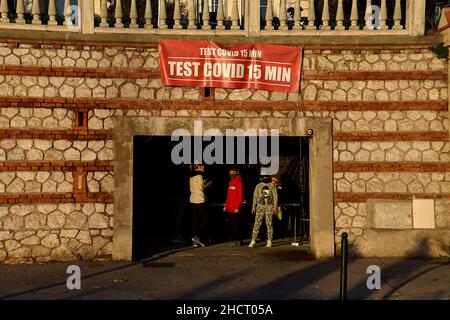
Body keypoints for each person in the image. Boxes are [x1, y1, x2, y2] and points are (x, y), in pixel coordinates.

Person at [249, 175, 278, 248]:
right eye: (263, 177)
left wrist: (274, 207)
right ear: (261, 178)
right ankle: (253, 240)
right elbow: (255, 196)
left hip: (269, 207)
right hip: (260, 207)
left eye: (266, 177)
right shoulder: (258, 186)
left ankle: (269, 240)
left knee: (269, 224)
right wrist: (253, 207)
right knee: (257, 224)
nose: (265, 178)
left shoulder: (272, 186)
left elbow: (275, 196)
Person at [190, 163, 212, 247]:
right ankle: (197, 235)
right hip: (200, 199)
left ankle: (195, 240)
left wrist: (203, 182)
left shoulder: (191, 176)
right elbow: (202, 188)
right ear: (198, 167)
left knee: (195, 220)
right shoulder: (199, 175)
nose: (204, 167)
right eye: (202, 166)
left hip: (193, 199)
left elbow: (193, 186)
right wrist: (209, 184)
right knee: (207, 217)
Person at [223, 167, 244, 247]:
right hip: (230, 208)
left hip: (236, 208)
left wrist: (237, 207)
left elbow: (240, 197)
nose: (231, 173)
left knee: (236, 225)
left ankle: (238, 240)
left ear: (237, 172)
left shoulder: (239, 182)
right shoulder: (230, 182)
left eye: (233, 172)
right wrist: (226, 205)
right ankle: (235, 240)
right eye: (230, 172)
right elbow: (228, 196)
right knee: (231, 225)